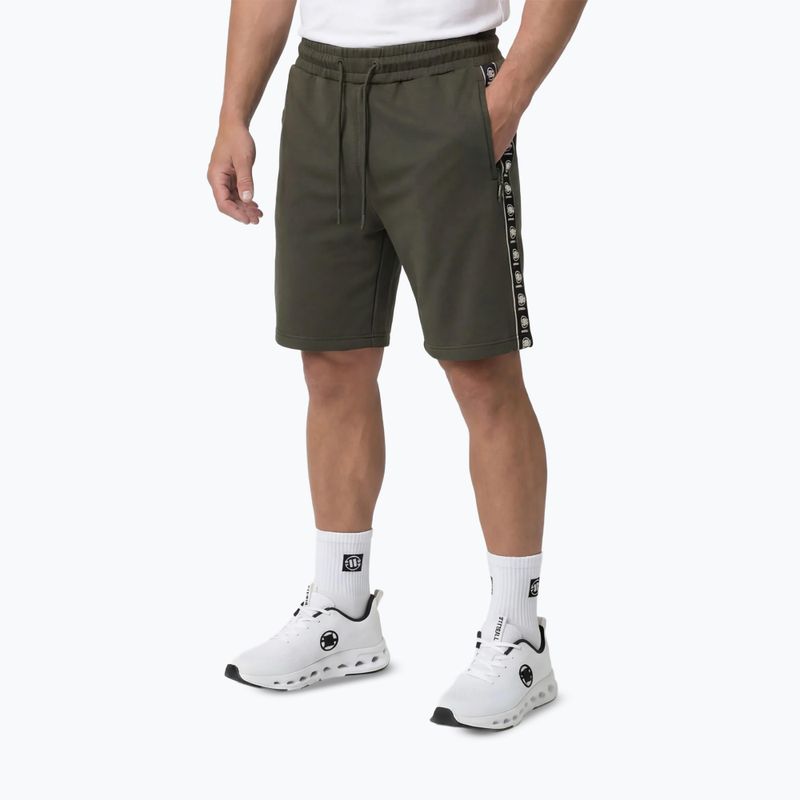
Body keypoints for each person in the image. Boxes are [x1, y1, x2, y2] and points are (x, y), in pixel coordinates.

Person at [208, 0, 586, 730]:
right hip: (320, 90)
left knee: (481, 370)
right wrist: (233, 113)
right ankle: (343, 610)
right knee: (331, 361)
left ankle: (520, 639)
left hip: (448, 80)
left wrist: (506, 99)